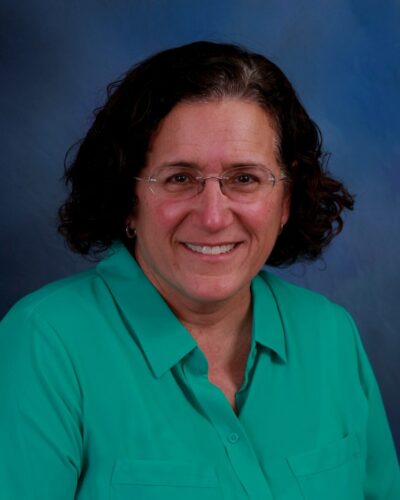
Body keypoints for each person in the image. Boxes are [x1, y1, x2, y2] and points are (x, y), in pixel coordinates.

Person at [0, 41, 398, 500]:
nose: (212, 217)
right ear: (128, 199)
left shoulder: (331, 334)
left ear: (286, 200)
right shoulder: (45, 343)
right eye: (180, 178)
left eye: (244, 178)